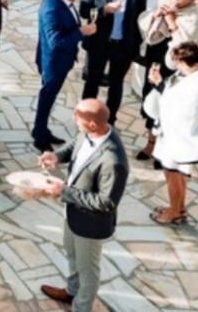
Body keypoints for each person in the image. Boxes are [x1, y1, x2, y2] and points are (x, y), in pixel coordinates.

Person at [36, 100, 129, 312]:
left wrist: (64, 191)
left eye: (77, 116)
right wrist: (56, 156)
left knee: (88, 271)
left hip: (91, 224)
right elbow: (75, 144)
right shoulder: (90, 132)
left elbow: (107, 202)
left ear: (93, 125)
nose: (73, 118)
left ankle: (81, 307)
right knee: (72, 254)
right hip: (74, 214)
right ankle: (71, 291)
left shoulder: (113, 161)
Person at [144, 42, 198, 225]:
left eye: (181, 63)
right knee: (175, 174)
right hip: (174, 135)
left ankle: (174, 212)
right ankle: (179, 207)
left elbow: (183, 110)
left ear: (195, 65)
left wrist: (159, 87)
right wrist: (160, 83)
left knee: (174, 175)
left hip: (180, 137)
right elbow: (173, 96)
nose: (178, 66)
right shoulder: (192, 75)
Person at [135, 0, 198, 160]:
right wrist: (156, 15)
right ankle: (150, 141)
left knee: (167, 103)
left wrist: (172, 22)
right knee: (151, 97)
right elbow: (144, 27)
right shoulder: (165, 3)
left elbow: (186, 48)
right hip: (155, 58)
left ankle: (162, 145)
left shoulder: (193, 17)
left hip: (174, 67)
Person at [32, 0, 94, 152]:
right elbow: (55, 41)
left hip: (61, 61)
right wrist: (82, 32)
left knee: (49, 98)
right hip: (53, 62)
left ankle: (41, 129)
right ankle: (39, 136)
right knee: (47, 97)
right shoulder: (52, 7)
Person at [79, 0, 143, 119]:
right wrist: (103, 10)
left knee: (116, 84)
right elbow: (84, 11)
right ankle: (86, 116)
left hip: (123, 46)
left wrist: (136, 46)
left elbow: (139, 20)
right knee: (92, 82)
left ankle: (109, 119)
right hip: (99, 44)